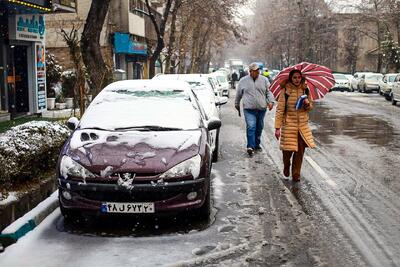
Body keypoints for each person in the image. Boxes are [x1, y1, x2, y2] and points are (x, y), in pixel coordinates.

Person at [274, 69, 316, 182]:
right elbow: (280, 109)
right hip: (289, 125)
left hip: (302, 126)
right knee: (287, 151)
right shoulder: (285, 91)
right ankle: (286, 165)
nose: (297, 80)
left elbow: (311, 107)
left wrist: (307, 105)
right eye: (294, 77)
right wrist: (277, 128)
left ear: (301, 78)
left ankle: (296, 173)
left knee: (300, 151)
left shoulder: (305, 90)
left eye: (299, 77)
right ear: (290, 78)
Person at [235, 62, 275, 156]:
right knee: (251, 126)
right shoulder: (243, 81)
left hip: (261, 108)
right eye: (255, 71)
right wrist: (237, 104)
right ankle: (250, 146)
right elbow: (238, 94)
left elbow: (269, 92)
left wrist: (271, 102)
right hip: (249, 109)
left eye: (258, 70)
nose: (257, 72)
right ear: (250, 71)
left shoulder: (264, 80)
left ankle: (257, 144)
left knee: (259, 127)